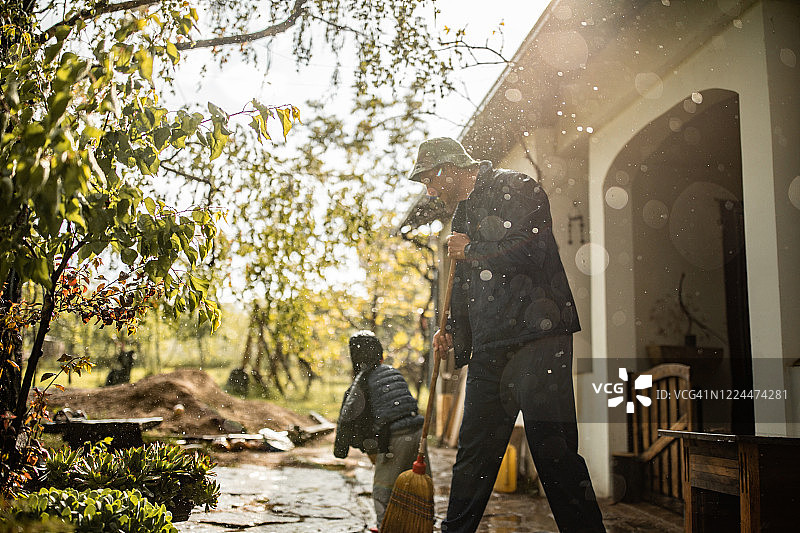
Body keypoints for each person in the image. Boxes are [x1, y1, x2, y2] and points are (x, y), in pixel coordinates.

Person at [407, 137, 606, 533]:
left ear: (449, 168)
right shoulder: (462, 215)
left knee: (556, 454)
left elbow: (531, 250)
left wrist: (474, 250)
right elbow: (464, 284)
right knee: (474, 454)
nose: (429, 190)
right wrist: (450, 329)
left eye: (430, 179)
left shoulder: (517, 186)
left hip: (539, 340)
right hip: (489, 348)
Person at [333, 330, 427, 531]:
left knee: (383, 489)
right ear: (381, 356)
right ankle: (419, 523)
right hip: (418, 432)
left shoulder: (361, 381)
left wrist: (340, 451)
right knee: (416, 485)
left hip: (397, 437)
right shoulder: (394, 372)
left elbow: (346, 419)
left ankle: (385, 526)